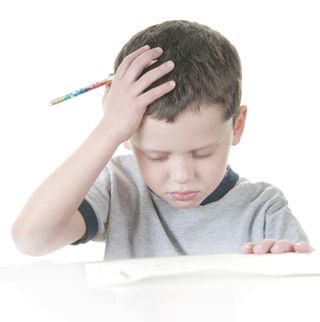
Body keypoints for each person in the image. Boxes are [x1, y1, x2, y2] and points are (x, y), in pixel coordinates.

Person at [12, 20, 312, 259]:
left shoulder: (264, 210)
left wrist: (288, 275)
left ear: (237, 125)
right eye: (157, 156)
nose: (182, 177)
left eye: (203, 153)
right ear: (128, 135)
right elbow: (31, 239)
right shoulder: (119, 188)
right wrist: (109, 129)